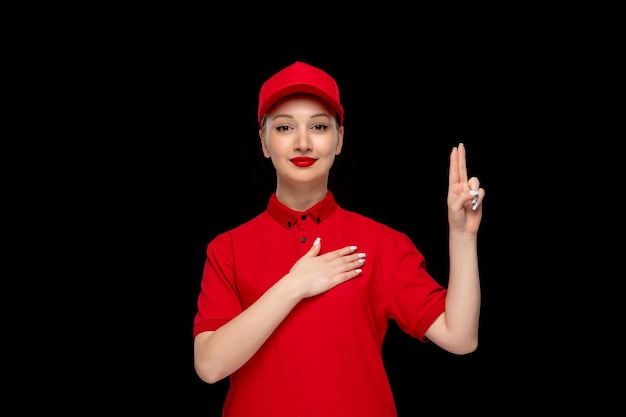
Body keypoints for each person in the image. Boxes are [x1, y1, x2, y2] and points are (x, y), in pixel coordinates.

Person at [192, 61, 485, 417]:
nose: (303, 142)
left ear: (340, 139)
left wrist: (462, 236)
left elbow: (460, 338)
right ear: (264, 142)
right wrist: (294, 286)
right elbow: (209, 365)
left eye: (318, 126)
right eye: (284, 127)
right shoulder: (228, 249)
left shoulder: (383, 244)